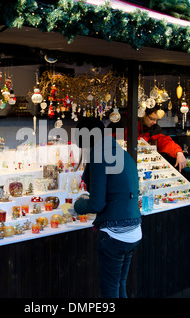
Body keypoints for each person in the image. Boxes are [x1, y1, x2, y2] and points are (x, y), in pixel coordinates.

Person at [72, 117, 142, 298]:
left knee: (110, 290)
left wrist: (78, 205)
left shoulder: (99, 155)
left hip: (115, 233)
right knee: (120, 284)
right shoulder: (119, 151)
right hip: (134, 229)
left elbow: (97, 203)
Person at [138, 107, 187, 171]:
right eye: (152, 119)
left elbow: (165, 141)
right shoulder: (126, 124)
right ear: (143, 115)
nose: (155, 122)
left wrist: (178, 152)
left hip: (145, 164)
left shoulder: (155, 128)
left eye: (156, 120)